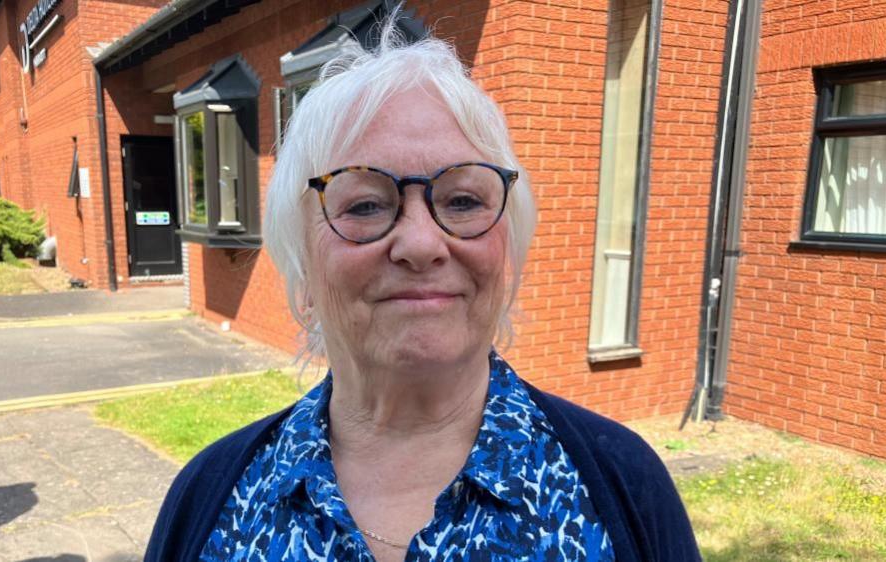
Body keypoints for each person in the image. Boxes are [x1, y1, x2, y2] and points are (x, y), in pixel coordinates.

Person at [145, 20, 700, 562]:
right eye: (364, 204)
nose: (420, 243)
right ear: (303, 262)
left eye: (462, 201)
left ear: (507, 241)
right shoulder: (209, 499)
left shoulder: (625, 487)